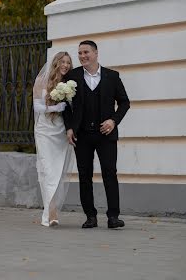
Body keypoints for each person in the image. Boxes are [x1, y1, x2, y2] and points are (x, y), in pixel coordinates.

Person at [63, 40, 130, 229]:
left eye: (86, 52)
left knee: (110, 173)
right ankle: (90, 217)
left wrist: (113, 120)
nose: (82, 56)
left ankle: (113, 217)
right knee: (85, 176)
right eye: (80, 53)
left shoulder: (112, 76)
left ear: (96, 53)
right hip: (82, 135)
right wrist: (69, 127)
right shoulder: (72, 76)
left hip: (106, 134)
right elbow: (65, 106)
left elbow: (125, 103)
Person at [33, 51, 74, 227]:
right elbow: (37, 107)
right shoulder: (41, 81)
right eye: (62, 62)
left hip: (60, 130)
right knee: (47, 168)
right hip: (44, 129)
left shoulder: (69, 84)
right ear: (56, 63)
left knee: (57, 170)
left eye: (68, 62)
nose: (65, 65)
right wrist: (56, 106)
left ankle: (51, 209)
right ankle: (51, 210)